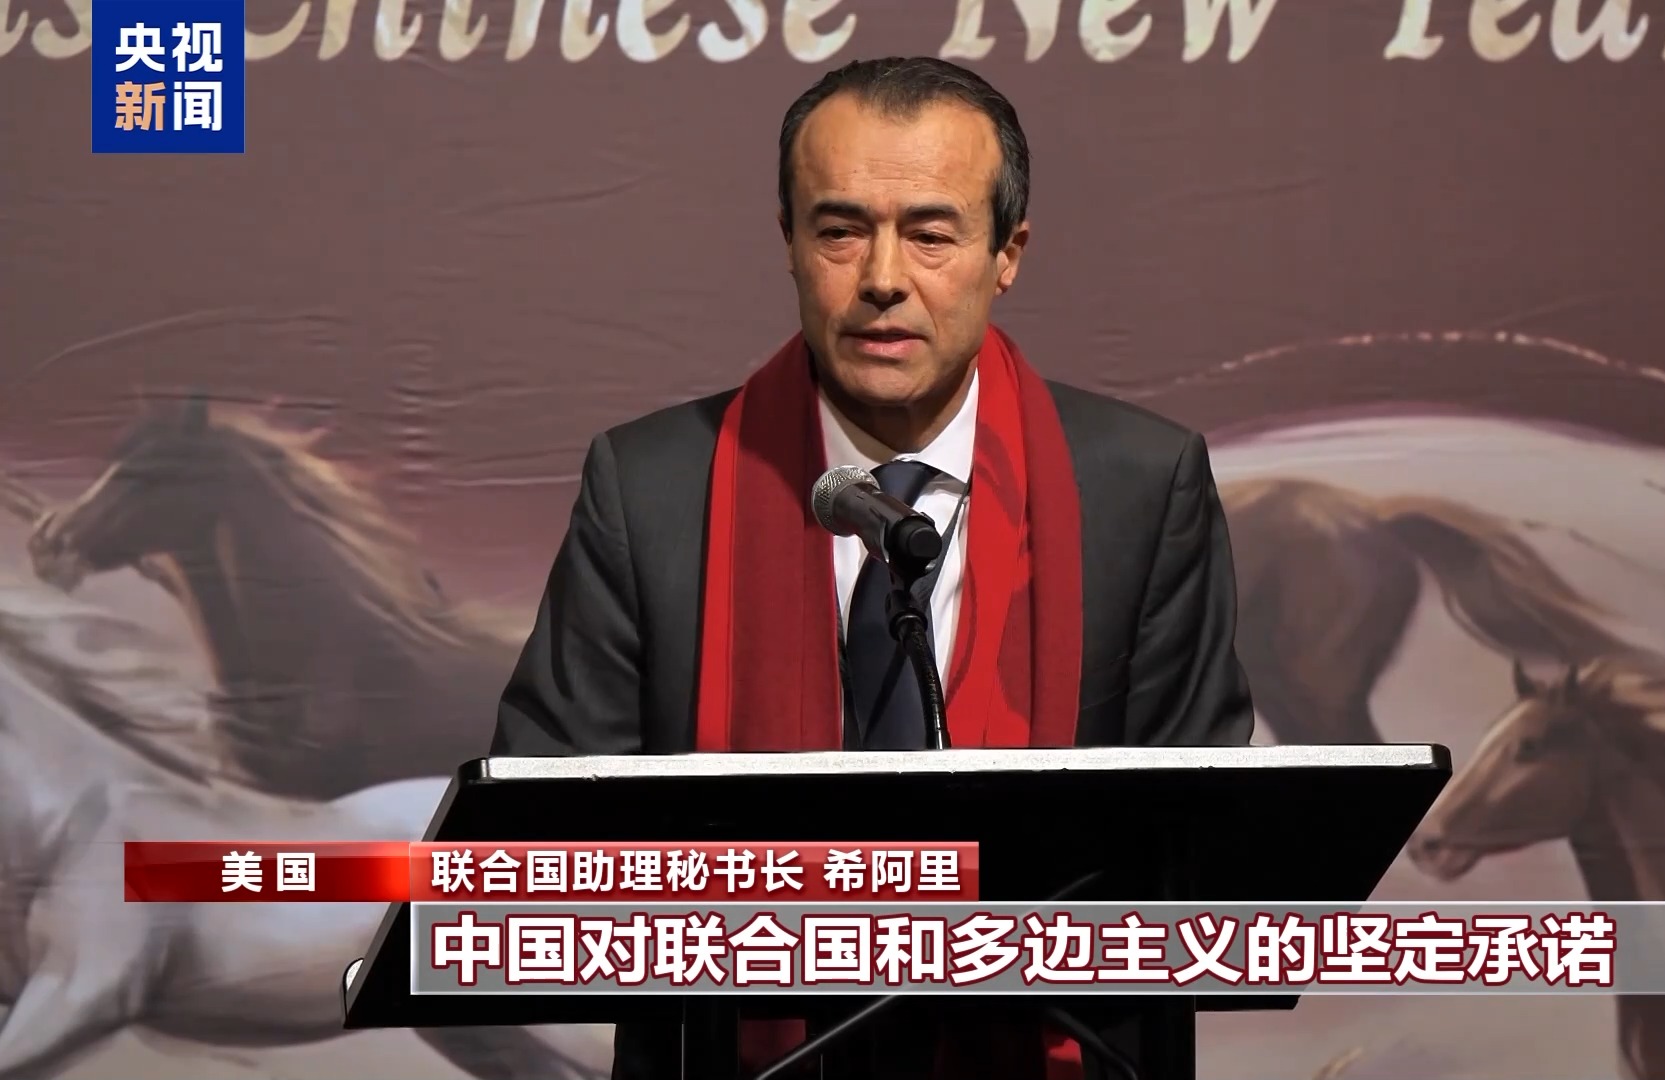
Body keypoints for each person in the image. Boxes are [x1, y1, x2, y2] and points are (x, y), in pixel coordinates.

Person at [490, 55, 1254, 1080]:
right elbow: (540, 849)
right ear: (789, 243)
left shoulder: (1139, 487)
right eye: (841, 231)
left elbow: (1204, 854)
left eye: (932, 235)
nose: (884, 278)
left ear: (1008, 254)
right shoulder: (654, 486)